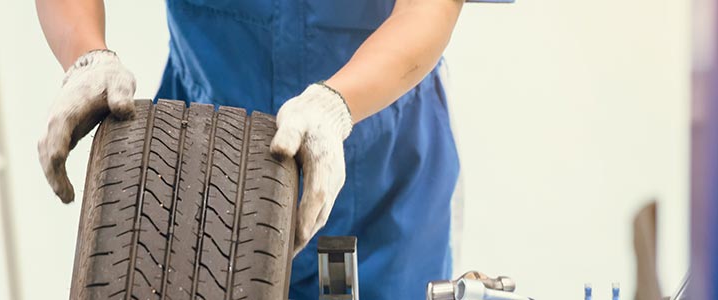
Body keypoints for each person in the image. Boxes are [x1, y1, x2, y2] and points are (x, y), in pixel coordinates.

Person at [36, 0, 463, 298]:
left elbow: (429, 7)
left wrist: (336, 105)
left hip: (385, 178)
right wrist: (86, 57)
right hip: (196, 167)